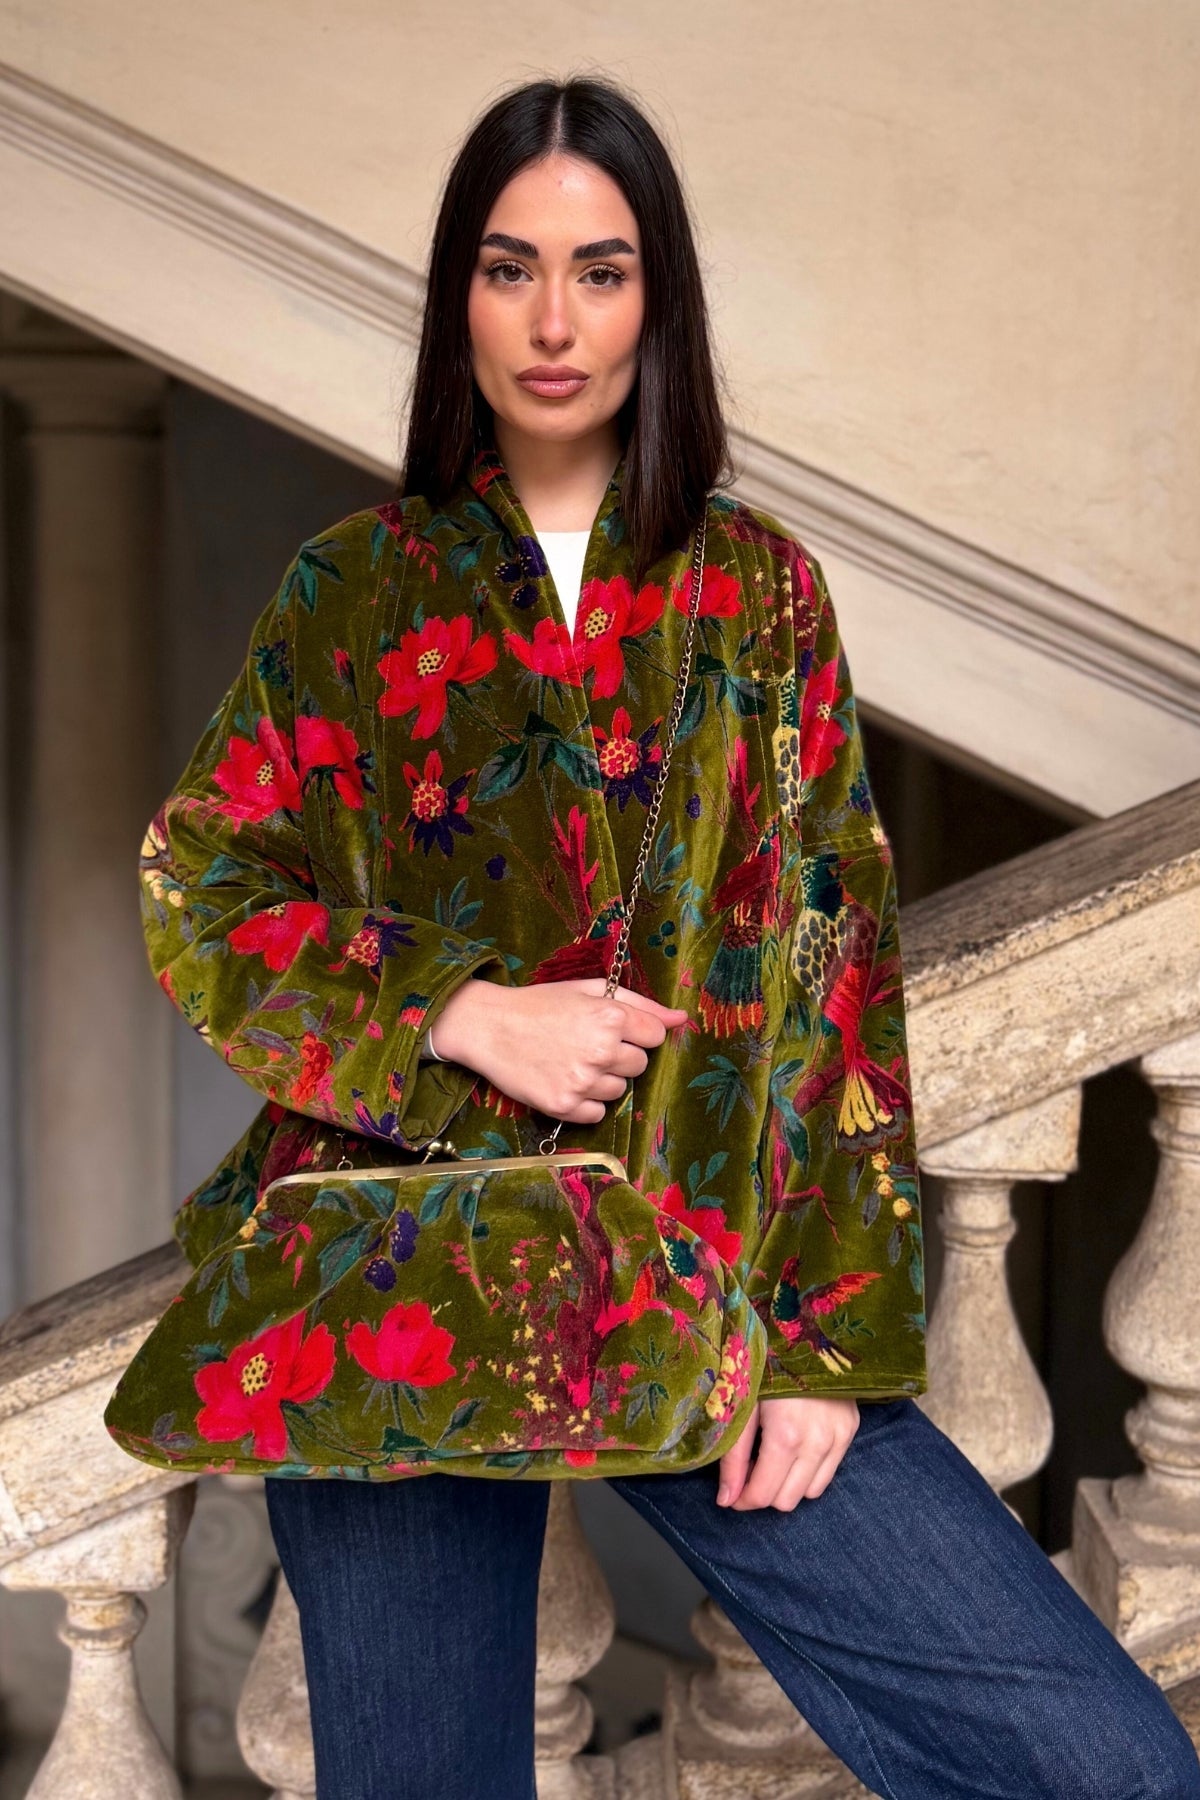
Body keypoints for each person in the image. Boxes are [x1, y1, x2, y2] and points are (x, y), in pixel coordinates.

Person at [135, 74, 1199, 1800]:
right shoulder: (355, 589)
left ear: (660, 301)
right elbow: (204, 883)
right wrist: (458, 1012)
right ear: (460, 298)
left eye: (601, 271)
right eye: (510, 268)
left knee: (1102, 1765)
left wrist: (827, 1346)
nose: (553, 322)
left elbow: (840, 974)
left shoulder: (757, 594)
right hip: (399, 1284)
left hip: (703, 1269)